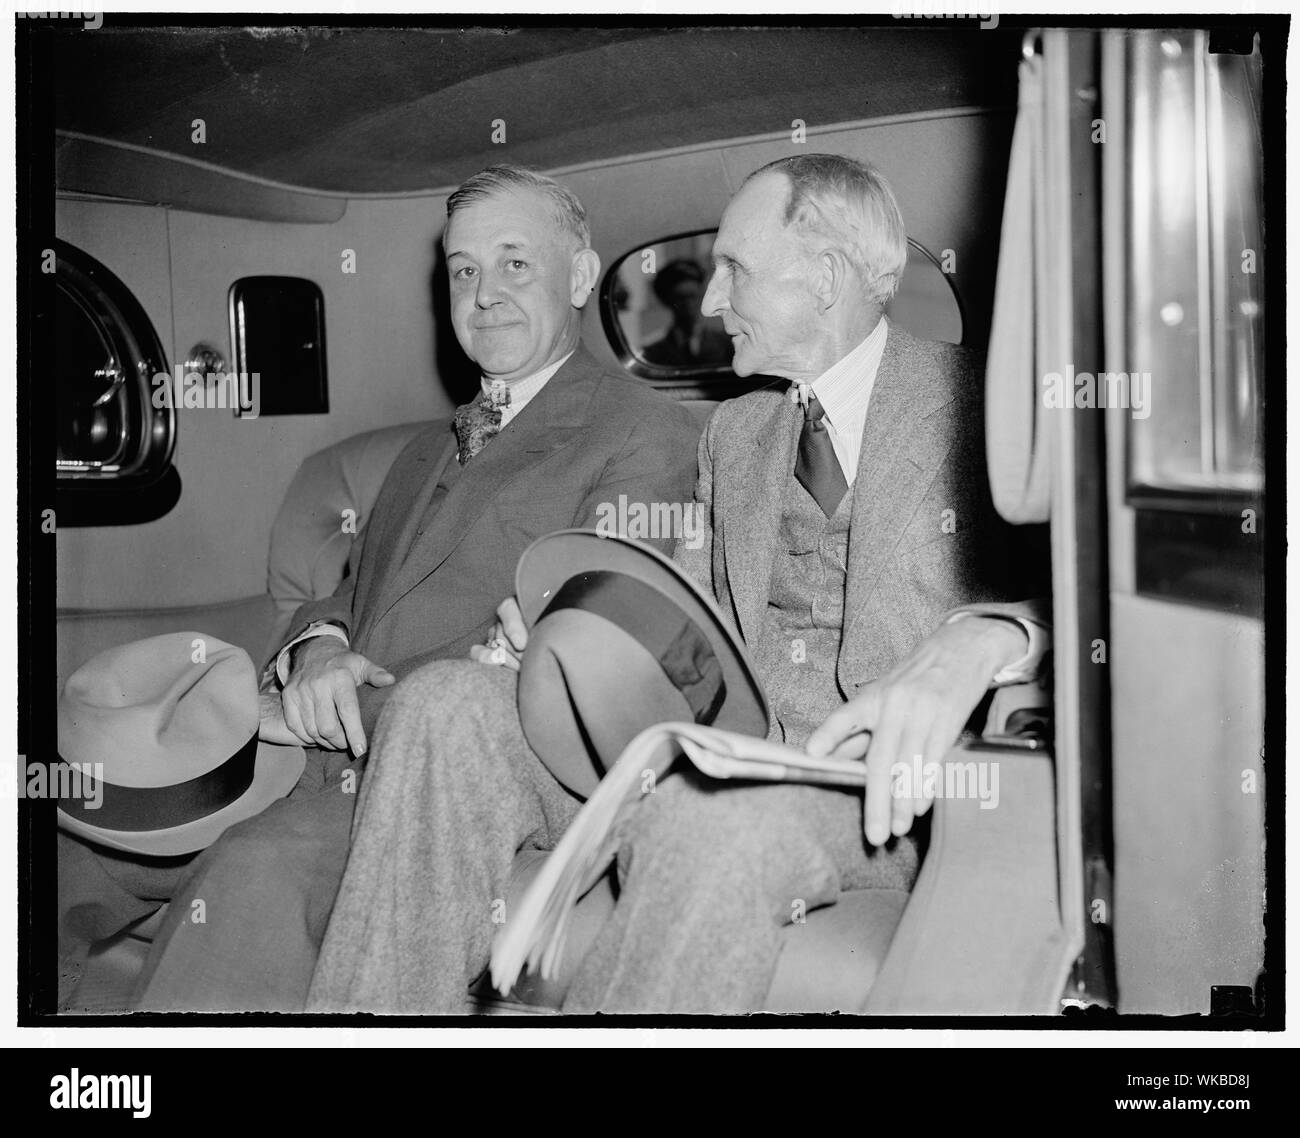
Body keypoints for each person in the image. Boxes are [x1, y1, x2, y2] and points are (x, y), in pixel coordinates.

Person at [306, 153, 1047, 1015]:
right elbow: (678, 598)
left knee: (709, 818)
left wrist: (993, 635)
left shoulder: (992, 409)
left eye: (734, 268)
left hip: (884, 789)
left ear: (826, 275)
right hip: (715, 743)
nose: (709, 299)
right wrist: (562, 627)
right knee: (444, 704)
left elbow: (1109, 602)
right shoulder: (736, 435)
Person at [55, 164, 701, 1013]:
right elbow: (348, 596)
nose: (484, 293)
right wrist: (317, 646)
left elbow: (596, 643)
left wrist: (352, 703)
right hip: (307, 740)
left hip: (427, 772)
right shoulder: (420, 452)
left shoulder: (640, 432)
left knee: (252, 872)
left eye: (515, 263)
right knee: (65, 840)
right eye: (463, 270)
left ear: (580, 278)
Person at [640, 258, 733, 367]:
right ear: (667, 301)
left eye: (693, 296)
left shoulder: (725, 344)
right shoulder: (653, 352)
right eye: (680, 298)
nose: (688, 304)